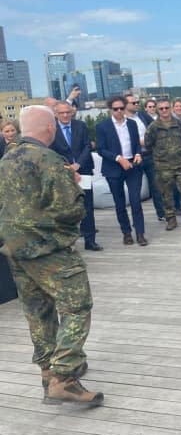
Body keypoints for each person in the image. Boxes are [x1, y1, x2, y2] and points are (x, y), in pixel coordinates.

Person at [0, 105, 103, 405]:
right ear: (49, 128)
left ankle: (47, 375)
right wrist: (74, 185)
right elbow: (71, 210)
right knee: (77, 304)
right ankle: (65, 376)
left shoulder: (6, 160)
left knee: (38, 311)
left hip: (15, 250)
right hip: (48, 249)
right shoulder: (49, 160)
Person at [50, 101, 103, 252]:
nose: (65, 115)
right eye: (62, 113)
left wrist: (78, 165)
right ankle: (67, 243)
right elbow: (50, 151)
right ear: (56, 114)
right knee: (66, 209)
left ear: (72, 112)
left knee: (87, 207)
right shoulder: (51, 128)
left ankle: (90, 240)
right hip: (63, 174)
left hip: (83, 171)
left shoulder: (81, 126)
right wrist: (68, 168)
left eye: (68, 112)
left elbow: (87, 146)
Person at [96, 96, 147, 246]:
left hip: (132, 167)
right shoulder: (102, 126)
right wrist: (118, 158)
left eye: (121, 108)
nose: (119, 111)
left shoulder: (131, 124)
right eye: (115, 109)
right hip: (113, 168)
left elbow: (136, 143)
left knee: (135, 201)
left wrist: (138, 154)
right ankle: (126, 233)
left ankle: (140, 233)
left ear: (125, 108)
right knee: (120, 203)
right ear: (110, 110)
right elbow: (101, 149)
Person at [145, 99, 181, 230]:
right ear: (157, 110)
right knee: (166, 194)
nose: (164, 110)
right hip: (163, 167)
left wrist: (177, 152)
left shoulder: (179, 124)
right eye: (161, 108)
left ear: (171, 108)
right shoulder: (153, 127)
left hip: (180, 164)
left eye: (166, 108)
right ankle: (171, 219)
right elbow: (149, 145)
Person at [125, 94, 165, 222]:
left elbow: (154, 128)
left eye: (137, 102)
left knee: (156, 186)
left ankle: (161, 213)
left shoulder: (142, 115)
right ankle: (137, 219)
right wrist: (138, 142)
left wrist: (150, 141)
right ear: (125, 104)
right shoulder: (122, 120)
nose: (136, 104)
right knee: (135, 190)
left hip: (148, 155)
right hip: (133, 158)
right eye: (133, 103)